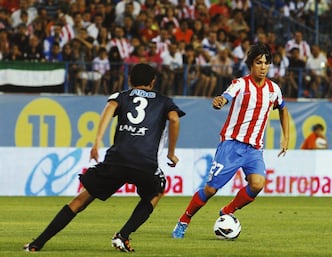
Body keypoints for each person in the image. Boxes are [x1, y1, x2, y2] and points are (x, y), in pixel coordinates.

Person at [24, 63, 185, 252]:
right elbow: (174, 119)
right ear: (153, 81)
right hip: (145, 162)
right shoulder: (164, 101)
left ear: (130, 80)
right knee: (155, 193)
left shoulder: (121, 96)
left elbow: (108, 110)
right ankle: (123, 236)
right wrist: (171, 153)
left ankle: (37, 244)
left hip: (117, 159)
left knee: (79, 201)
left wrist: (97, 142)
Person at [172, 42, 289, 239]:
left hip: (254, 149)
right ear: (251, 64)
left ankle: (227, 211)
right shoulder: (240, 84)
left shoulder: (274, 89)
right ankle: (184, 220)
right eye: (259, 62)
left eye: (266, 63)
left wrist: (286, 137)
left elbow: (283, 109)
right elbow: (226, 96)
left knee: (257, 184)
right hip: (231, 144)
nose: (263, 67)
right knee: (210, 189)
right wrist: (220, 101)